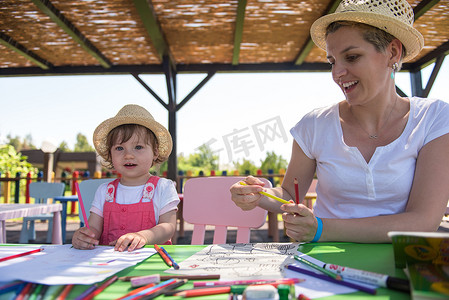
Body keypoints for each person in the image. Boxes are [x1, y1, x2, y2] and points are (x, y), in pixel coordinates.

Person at [230, 0, 449, 243]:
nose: (337, 73)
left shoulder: (434, 119)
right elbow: (289, 194)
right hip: (321, 266)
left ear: (393, 52)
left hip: (403, 265)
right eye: (332, 61)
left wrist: (321, 229)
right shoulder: (313, 125)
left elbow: (422, 221)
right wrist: (259, 194)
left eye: (352, 57)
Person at [72, 104, 180, 251]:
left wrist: (144, 236)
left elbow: (168, 227)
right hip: (108, 265)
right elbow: (93, 228)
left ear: (155, 152)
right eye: (119, 148)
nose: (128, 155)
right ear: (110, 154)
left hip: (151, 262)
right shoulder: (104, 191)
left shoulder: (163, 187)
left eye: (138, 147)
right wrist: (83, 236)